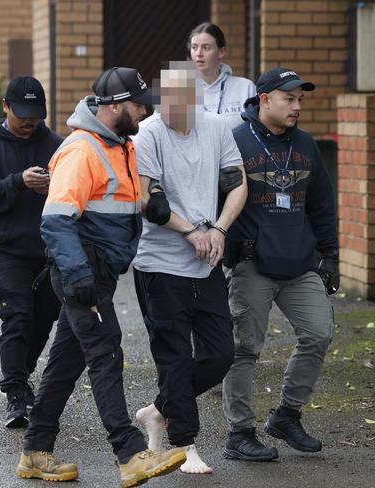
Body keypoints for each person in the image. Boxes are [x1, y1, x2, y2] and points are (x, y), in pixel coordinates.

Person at [16, 67, 186, 487]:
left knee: (65, 362)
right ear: (113, 106)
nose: (144, 113)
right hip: (81, 274)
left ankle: (35, 451)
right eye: (138, 105)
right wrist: (77, 277)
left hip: (97, 273)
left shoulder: (120, 145)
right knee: (106, 352)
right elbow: (56, 222)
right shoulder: (82, 150)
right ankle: (129, 453)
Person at [132, 62, 248, 475]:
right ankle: (185, 445)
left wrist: (218, 229)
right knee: (175, 358)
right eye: (161, 101)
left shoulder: (216, 128)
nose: (165, 109)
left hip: (206, 263)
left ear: (195, 99)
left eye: (175, 102)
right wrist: (191, 233)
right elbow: (149, 199)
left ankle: (159, 409)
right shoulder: (148, 134)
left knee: (220, 355)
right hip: (160, 264)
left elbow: (236, 183)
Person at [220, 67, 339, 461]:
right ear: (265, 99)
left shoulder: (306, 144)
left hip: (300, 263)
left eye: (300, 99)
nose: (297, 106)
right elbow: (214, 197)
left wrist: (330, 255)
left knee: (318, 333)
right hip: (252, 263)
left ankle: (287, 416)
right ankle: (239, 433)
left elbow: (322, 205)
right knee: (245, 348)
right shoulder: (235, 141)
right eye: (289, 98)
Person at [0, 76, 63, 428]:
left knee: (45, 316)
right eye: (22, 114)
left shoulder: (55, 144)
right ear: (5, 107)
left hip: (49, 246)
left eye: (35, 115)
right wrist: (18, 181)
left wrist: (57, 187)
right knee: (17, 314)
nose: (29, 122)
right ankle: (16, 393)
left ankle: (22, 373)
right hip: (3, 246)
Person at [188, 22, 256, 130]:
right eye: (194, 47)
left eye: (206, 48)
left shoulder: (245, 88)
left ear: (221, 52)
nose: (198, 53)